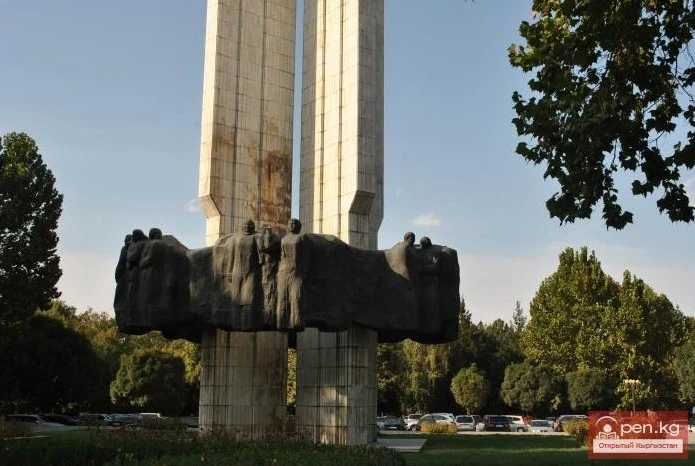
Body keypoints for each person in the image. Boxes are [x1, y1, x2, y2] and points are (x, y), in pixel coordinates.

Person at [276, 218, 309, 329]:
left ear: (298, 226)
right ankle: (281, 321)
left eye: (294, 224)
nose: (291, 225)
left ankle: (296, 321)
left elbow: (305, 256)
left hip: (296, 271)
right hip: (284, 270)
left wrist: (302, 271)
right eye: (290, 224)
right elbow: (282, 255)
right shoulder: (284, 239)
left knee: (296, 297)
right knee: (282, 297)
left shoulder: (301, 238)